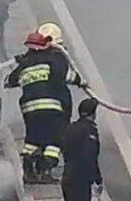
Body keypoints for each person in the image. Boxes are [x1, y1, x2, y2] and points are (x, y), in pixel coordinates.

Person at [5, 25, 85, 184]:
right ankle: (45, 170)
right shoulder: (55, 58)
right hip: (51, 106)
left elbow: (9, 81)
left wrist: (24, 63)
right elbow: (64, 75)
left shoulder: (25, 63)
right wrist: (81, 81)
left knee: (33, 138)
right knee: (56, 139)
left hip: (29, 109)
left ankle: (28, 171)